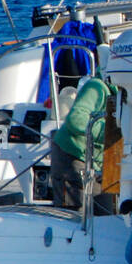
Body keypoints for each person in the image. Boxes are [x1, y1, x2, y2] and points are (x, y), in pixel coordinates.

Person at [50, 74, 113, 208]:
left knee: (104, 215)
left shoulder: (129, 96)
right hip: (72, 156)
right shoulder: (97, 87)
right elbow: (76, 119)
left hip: (97, 163)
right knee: (74, 216)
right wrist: (113, 133)